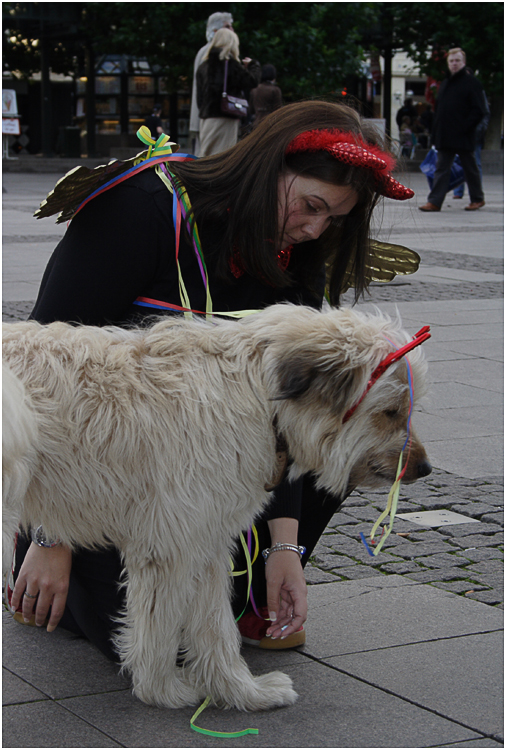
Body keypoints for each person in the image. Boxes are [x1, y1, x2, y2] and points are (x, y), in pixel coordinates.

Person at [9, 100, 415, 659]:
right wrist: (52, 537)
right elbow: (37, 374)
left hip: (216, 476)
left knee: (348, 434)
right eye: (310, 205)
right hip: (100, 478)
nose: (314, 229)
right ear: (268, 168)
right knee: (166, 646)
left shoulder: (300, 252)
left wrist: (287, 552)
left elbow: (293, 417)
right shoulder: (144, 209)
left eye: (334, 220)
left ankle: (253, 588)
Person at [419, 47, 487, 212]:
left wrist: (465, 128)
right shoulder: (445, 83)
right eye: (451, 61)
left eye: (457, 61)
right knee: (441, 169)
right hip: (445, 135)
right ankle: (435, 201)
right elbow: (439, 110)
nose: (454, 64)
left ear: (463, 62)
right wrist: (435, 134)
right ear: (448, 63)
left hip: (463, 135)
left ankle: (477, 199)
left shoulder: (472, 83)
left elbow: (480, 110)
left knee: (470, 168)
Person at [196, 28, 260, 157]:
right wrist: (253, 65)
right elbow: (252, 81)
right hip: (225, 117)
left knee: (207, 155)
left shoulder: (203, 66)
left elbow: (200, 98)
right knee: (223, 157)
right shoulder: (230, 65)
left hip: (207, 119)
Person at [189, 11, 234, 155]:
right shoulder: (212, 53)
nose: (232, 31)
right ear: (215, 31)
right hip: (212, 116)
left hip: (206, 116)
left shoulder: (205, 52)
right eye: (227, 26)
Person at [453, 89, 490, 198]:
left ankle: (476, 193)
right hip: (461, 134)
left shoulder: (477, 93)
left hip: (474, 135)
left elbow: (484, 114)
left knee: (475, 163)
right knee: (459, 163)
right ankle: (458, 191)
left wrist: (479, 130)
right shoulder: (459, 93)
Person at [249, 63, 283, 128]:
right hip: (270, 123)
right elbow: (278, 109)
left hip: (256, 122)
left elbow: (251, 109)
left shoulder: (255, 89)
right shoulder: (275, 90)